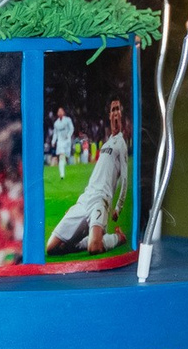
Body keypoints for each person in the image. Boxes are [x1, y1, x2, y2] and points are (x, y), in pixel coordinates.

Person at [46, 96, 128, 254]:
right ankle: (87, 238)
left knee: (95, 248)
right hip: (85, 199)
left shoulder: (121, 144)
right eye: (113, 109)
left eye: (118, 109)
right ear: (109, 115)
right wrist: (77, 204)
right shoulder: (106, 144)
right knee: (52, 248)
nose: (115, 112)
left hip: (100, 199)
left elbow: (124, 178)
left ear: (121, 114)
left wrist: (118, 207)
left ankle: (117, 237)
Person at [52, 104, 75, 175]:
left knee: (66, 156)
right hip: (60, 141)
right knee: (61, 156)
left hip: (67, 141)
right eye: (58, 111)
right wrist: (53, 141)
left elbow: (72, 128)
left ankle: (66, 164)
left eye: (61, 111)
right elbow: (55, 133)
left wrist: (68, 135)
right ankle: (62, 174)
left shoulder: (68, 120)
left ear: (63, 112)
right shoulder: (56, 123)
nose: (60, 113)